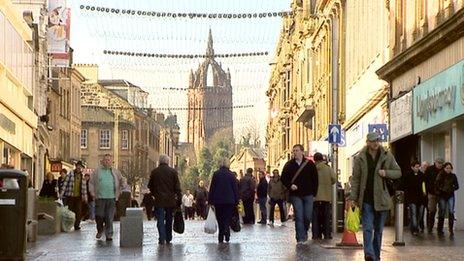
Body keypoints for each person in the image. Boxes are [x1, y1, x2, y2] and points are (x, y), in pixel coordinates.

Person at [348, 132, 401, 261]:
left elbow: (398, 172)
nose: (376, 143)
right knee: (367, 228)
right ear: (367, 142)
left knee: (378, 230)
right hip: (366, 199)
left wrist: (386, 173)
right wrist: (353, 198)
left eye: (377, 140)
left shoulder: (387, 155)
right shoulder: (360, 157)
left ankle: (376, 256)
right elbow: (356, 180)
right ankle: (369, 254)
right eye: (373, 141)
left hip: (381, 199)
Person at [281, 144, 319, 244]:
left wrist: (314, 194)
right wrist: (290, 185)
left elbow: (315, 180)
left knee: (307, 216)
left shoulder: (310, 164)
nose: (295, 153)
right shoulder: (289, 165)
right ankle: (300, 238)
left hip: (308, 194)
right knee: (299, 215)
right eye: (293, 151)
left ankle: (304, 231)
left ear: (302, 152)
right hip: (295, 195)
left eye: (297, 150)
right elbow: (283, 178)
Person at [148, 154, 182, 245]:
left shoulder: (155, 172)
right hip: (170, 200)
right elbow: (177, 187)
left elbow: (150, 186)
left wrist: (154, 194)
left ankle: (161, 237)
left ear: (159, 161)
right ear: (168, 161)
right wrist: (179, 199)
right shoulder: (173, 172)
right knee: (169, 219)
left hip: (159, 200)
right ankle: (168, 237)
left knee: (160, 219)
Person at [89, 154, 124, 241]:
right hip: (100, 197)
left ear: (111, 162)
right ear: (102, 161)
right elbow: (91, 182)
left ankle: (109, 234)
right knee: (99, 215)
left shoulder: (115, 171)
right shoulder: (97, 171)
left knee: (109, 217)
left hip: (111, 197)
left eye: (109, 160)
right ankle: (100, 230)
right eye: (105, 160)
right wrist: (92, 192)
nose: (107, 161)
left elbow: (121, 180)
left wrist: (123, 184)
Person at [208, 157, 239, 243]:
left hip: (218, 201)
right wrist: (237, 200)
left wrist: (210, 201)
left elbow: (212, 188)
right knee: (227, 217)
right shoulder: (231, 175)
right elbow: (235, 189)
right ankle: (227, 232)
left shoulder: (216, 174)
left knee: (220, 218)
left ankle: (221, 235)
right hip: (230, 201)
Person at [312, 153, 336, 240]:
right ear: (322, 159)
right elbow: (334, 179)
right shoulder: (328, 169)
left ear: (314, 159)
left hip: (315, 197)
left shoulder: (312, 169)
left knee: (315, 218)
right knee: (326, 217)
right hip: (326, 196)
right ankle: (327, 234)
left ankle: (316, 235)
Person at [60, 161, 88, 231]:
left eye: (80, 166)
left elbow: (84, 188)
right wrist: (61, 194)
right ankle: (68, 224)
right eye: (78, 166)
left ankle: (76, 225)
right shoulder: (71, 174)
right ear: (76, 166)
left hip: (79, 197)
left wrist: (85, 197)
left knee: (78, 211)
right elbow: (65, 184)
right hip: (70, 196)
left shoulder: (82, 176)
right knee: (70, 211)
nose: (79, 167)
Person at [435, 162, 459, 237]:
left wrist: (452, 188)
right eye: (447, 168)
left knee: (451, 211)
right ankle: (440, 229)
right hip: (442, 195)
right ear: (444, 168)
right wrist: (442, 189)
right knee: (442, 211)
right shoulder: (440, 175)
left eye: (450, 168)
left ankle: (451, 229)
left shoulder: (453, 176)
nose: (448, 169)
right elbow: (437, 184)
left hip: (450, 195)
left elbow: (457, 186)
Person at [404, 160, 427, 235]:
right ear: (412, 167)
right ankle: (414, 228)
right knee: (413, 213)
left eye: (418, 166)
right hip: (412, 198)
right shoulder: (408, 176)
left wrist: (424, 195)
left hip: (421, 198)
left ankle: (416, 225)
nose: (418, 168)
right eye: (416, 167)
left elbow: (424, 186)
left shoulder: (422, 175)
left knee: (420, 214)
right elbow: (406, 188)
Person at [424, 157, 444, 234]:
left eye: (441, 163)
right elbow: (425, 180)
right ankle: (430, 227)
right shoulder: (429, 169)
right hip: (431, 193)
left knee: (442, 210)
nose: (440, 165)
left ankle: (440, 229)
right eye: (438, 163)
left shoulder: (443, 170)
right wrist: (426, 191)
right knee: (432, 210)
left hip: (441, 194)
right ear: (435, 162)